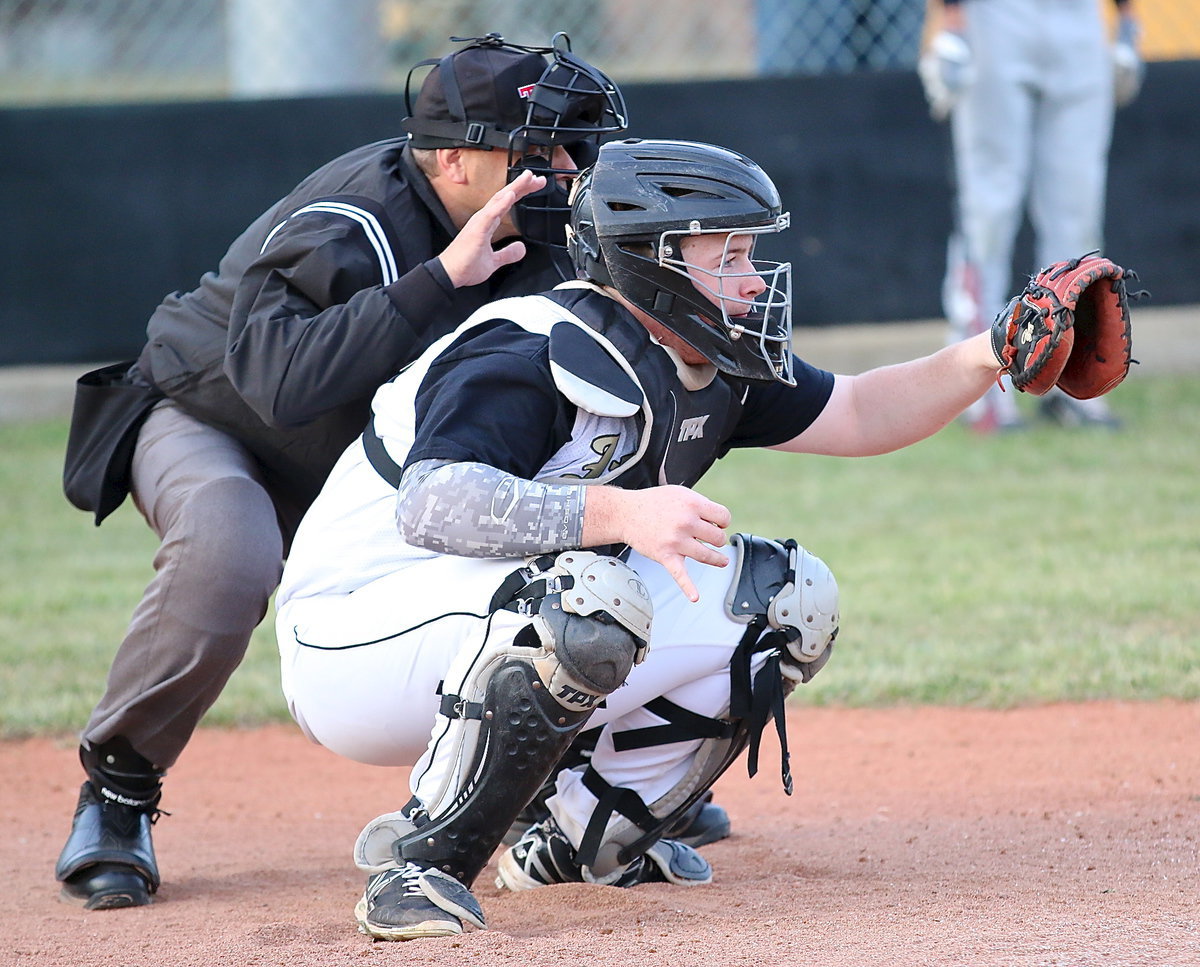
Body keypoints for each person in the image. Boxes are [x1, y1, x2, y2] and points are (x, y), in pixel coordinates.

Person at [272, 137, 1034, 942]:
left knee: (784, 601)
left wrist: (992, 352)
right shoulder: (533, 344)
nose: (751, 278)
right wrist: (621, 514)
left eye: (751, 252)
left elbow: (859, 410)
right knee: (581, 598)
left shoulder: (704, 355)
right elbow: (431, 504)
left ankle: (583, 839)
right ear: (652, 260)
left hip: (481, 621)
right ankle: (418, 865)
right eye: (729, 253)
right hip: (351, 637)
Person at [54, 32, 632, 912]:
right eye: (535, 150)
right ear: (451, 159)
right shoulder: (359, 215)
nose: (560, 167)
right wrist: (441, 278)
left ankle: (552, 777)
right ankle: (119, 790)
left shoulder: (540, 234)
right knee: (230, 547)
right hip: (208, 419)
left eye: (567, 147)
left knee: (530, 520)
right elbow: (277, 382)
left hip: (355, 470)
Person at [918, 0, 1143, 430]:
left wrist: (1128, 19)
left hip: (1080, 17)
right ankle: (977, 384)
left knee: (1076, 212)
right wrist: (953, 19)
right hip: (996, 16)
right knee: (990, 209)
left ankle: (1073, 384)